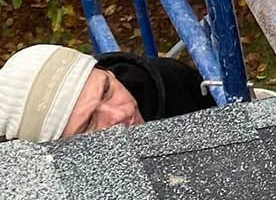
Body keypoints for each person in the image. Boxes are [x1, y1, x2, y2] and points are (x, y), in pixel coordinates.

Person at [0, 43, 211, 143]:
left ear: (106, 72)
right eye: (90, 122)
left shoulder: (171, 81)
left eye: (107, 91)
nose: (120, 114)